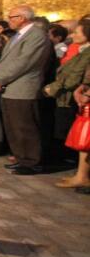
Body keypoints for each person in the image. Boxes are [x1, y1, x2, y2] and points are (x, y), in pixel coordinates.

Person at [0, 5, 53, 175]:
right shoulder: (17, 36)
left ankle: (31, 161)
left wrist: (0, 78)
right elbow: (3, 59)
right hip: (8, 87)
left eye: (11, 17)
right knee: (13, 126)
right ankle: (20, 157)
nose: (9, 20)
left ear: (22, 18)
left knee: (24, 126)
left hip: (23, 87)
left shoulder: (36, 36)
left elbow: (24, 62)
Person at [45, 18, 90, 185]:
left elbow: (77, 76)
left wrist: (85, 90)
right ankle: (81, 175)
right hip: (78, 95)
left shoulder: (87, 53)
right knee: (83, 138)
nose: (72, 35)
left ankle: (82, 176)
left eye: (76, 32)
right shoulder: (82, 51)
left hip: (77, 97)